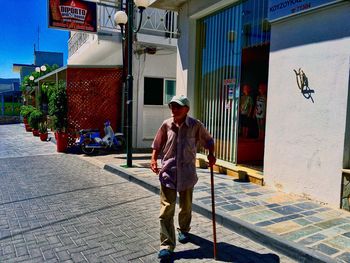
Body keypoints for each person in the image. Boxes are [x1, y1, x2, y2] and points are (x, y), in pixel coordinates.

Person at [150, 95, 216, 260]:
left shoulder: (195, 125)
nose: (174, 109)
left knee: (186, 207)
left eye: (178, 106)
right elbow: (157, 143)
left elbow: (208, 140)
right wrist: (153, 159)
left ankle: (184, 230)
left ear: (187, 109)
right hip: (168, 173)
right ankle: (166, 245)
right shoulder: (166, 124)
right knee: (166, 211)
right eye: (172, 106)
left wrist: (211, 154)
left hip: (187, 174)